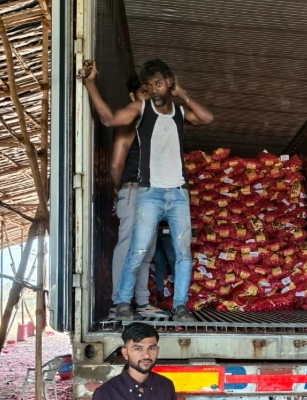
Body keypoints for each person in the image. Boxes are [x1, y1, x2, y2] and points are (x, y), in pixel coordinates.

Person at [80, 57, 214, 322]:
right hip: (149, 192)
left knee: (183, 254)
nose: (154, 89)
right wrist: (89, 83)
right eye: (150, 85)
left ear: (169, 82)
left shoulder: (179, 113)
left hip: (178, 193)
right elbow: (108, 119)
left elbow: (207, 117)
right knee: (137, 250)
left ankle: (180, 307)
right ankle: (122, 303)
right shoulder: (141, 108)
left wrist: (181, 93)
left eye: (159, 83)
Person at [108, 75, 162, 318]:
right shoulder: (130, 124)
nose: (149, 96)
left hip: (153, 193)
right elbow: (116, 164)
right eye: (143, 92)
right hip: (133, 190)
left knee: (146, 251)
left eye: (151, 92)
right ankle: (119, 303)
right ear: (132, 97)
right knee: (128, 245)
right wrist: (119, 191)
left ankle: (141, 302)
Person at [153, 223, 176, 298]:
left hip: (155, 231)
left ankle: (160, 294)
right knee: (174, 264)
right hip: (168, 229)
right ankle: (178, 294)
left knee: (159, 264)